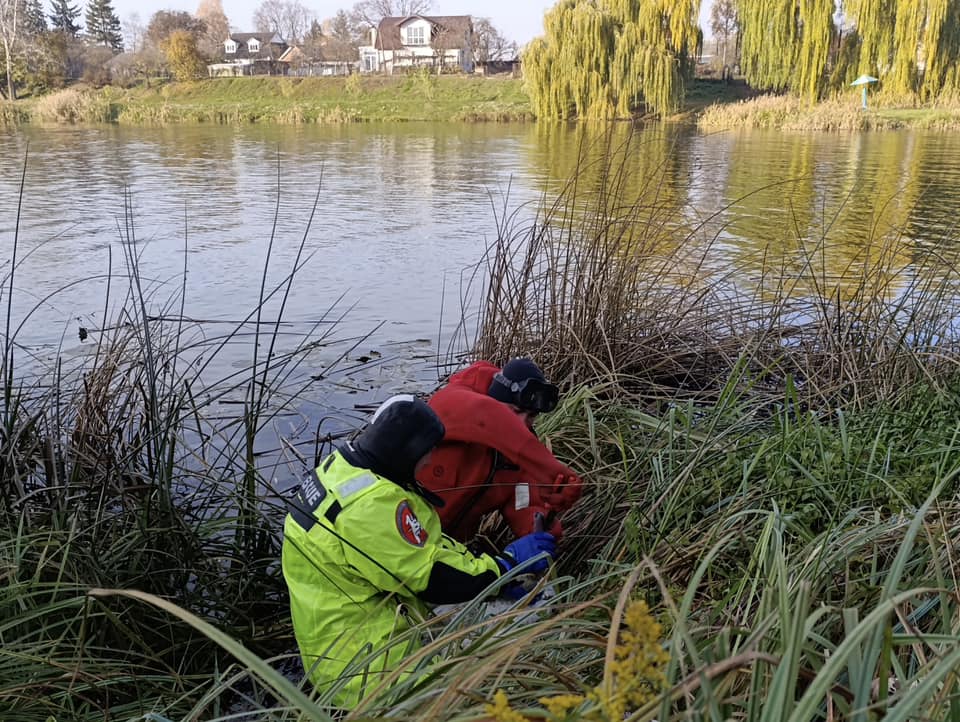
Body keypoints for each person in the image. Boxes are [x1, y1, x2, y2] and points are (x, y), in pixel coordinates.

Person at [281, 394, 557, 709]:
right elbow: (433, 578)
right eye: (426, 454)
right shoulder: (371, 506)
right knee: (521, 643)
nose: (429, 462)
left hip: (331, 643)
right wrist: (506, 565)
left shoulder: (342, 468)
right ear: (406, 452)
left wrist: (486, 565)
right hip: (373, 672)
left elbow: (416, 550)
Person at [416, 358, 583, 544]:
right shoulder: (452, 401)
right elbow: (487, 416)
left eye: (531, 416)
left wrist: (542, 529)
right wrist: (552, 471)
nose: (522, 423)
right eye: (515, 411)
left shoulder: (520, 460)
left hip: (450, 550)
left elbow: (523, 504)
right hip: (398, 532)